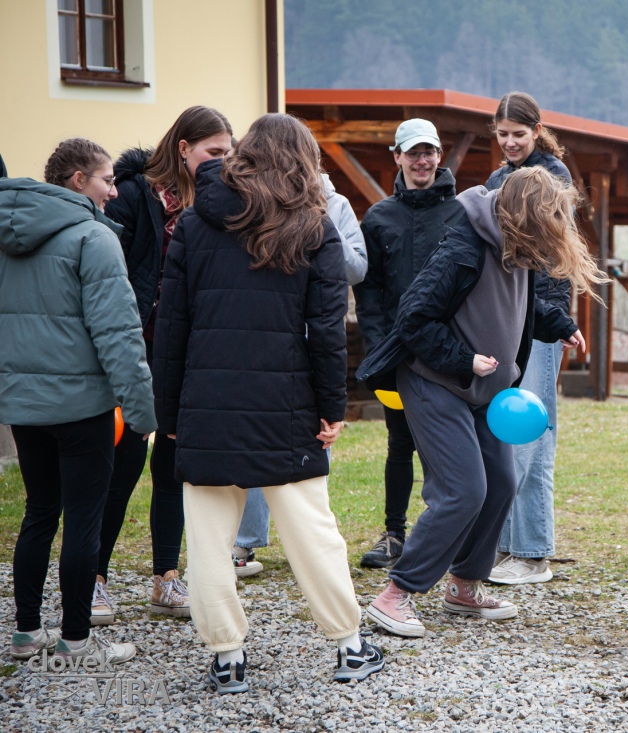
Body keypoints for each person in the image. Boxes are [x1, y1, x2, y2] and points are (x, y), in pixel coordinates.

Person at [152, 113, 385, 693]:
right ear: (303, 160)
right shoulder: (314, 226)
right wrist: (332, 407)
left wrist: (169, 412)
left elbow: (171, 327)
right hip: (287, 405)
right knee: (313, 532)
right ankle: (349, 645)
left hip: (206, 403)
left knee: (208, 540)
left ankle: (226, 656)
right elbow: (327, 331)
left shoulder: (195, 223)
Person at [356, 166, 606, 638]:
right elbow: (413, 317)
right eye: (550, 220)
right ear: (526, 215)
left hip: (485, 390)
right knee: (463, 490)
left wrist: (558, 324)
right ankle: (395, 595)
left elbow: (519, 305)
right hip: (434, 380)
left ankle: (464, 585)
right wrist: (463, 358)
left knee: (502, 482)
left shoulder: (520, 249)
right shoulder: (464, 245)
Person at [1, 139, 156, 664]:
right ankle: (76, 641)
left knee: (39, 513)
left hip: (25, 407)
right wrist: (142, 412)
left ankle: (26, 634)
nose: (115, 191)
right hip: (82, 408)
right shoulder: (95, 237)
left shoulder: (7, 236)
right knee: (83, 521)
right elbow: (119, 335)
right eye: (107, 180)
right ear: (76, 179)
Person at [95, 106, 234, 625]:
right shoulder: (133, 195)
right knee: (123, 462)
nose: (222, 162)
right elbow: (113, 273)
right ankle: (94, 579)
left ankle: (165, 579)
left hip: (184, 352)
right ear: (183, 147)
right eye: (213, 152)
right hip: (133, 349)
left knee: (173, 465)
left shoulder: (214, 204)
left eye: (227, 154)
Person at [231, 171, 369, 578]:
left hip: (318, 335)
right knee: (257, 430)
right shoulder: (259, 200)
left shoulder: (336, 205)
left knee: (318, 435)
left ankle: (311, 544)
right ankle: (244, 541)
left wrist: (322, 230)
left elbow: (358, 268)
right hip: (268, 333)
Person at [354, 118, 465, 570]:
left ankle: (450, 536)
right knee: (399, 444)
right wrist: (379, 347)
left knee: (451, 449)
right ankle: (394, 534)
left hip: (449, 353)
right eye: (413, 152)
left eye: (429, 152)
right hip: (397, 354)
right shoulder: (378, 218)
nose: (422, 161)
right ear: (397, 157)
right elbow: (369, 292)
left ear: (439, 155)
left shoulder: (462, 213)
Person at [485, 92, 573, 585]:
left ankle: (533, 552)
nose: (511, 142)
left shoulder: (553, 179)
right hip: (503, 321)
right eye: (503, 134)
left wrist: (550, 321)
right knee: (502, 432)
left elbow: (553, 263)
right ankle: (502, 544)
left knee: (531, 434)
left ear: (537, 131)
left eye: (519, 134)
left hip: (539, 321)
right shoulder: (496, 180)